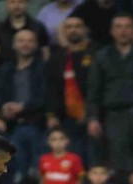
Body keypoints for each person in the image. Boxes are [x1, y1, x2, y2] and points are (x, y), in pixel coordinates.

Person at [87, 13, 133, 170]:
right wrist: (93, 117)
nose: (123, 31)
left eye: (127, 27)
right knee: (119, 156)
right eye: (119, 27)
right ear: (112, 31)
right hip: (114, 114)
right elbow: (94, 90)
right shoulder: (101, 56)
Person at [0, 29, 48, 184]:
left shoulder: (43, 69)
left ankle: (31, 179)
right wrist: (4, 107)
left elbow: (47, 96)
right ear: (14, 45)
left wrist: (23, 107)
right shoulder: (5, 69)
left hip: (37, 122)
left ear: (36, 45)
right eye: (21, 40)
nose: (25, 44)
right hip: (11, 124)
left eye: (29, 40)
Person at [46, 16, 96, 166]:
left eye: (77, 26)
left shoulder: (95, 53)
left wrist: (89, 111)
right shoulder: (57, 57)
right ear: (63, 31)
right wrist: (51, 115)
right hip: (66, 117)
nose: (73, 30)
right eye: (69, 27)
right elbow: (51, 88)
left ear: (85, 30)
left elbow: (96, 86)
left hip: (93, 115)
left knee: (93, 157)